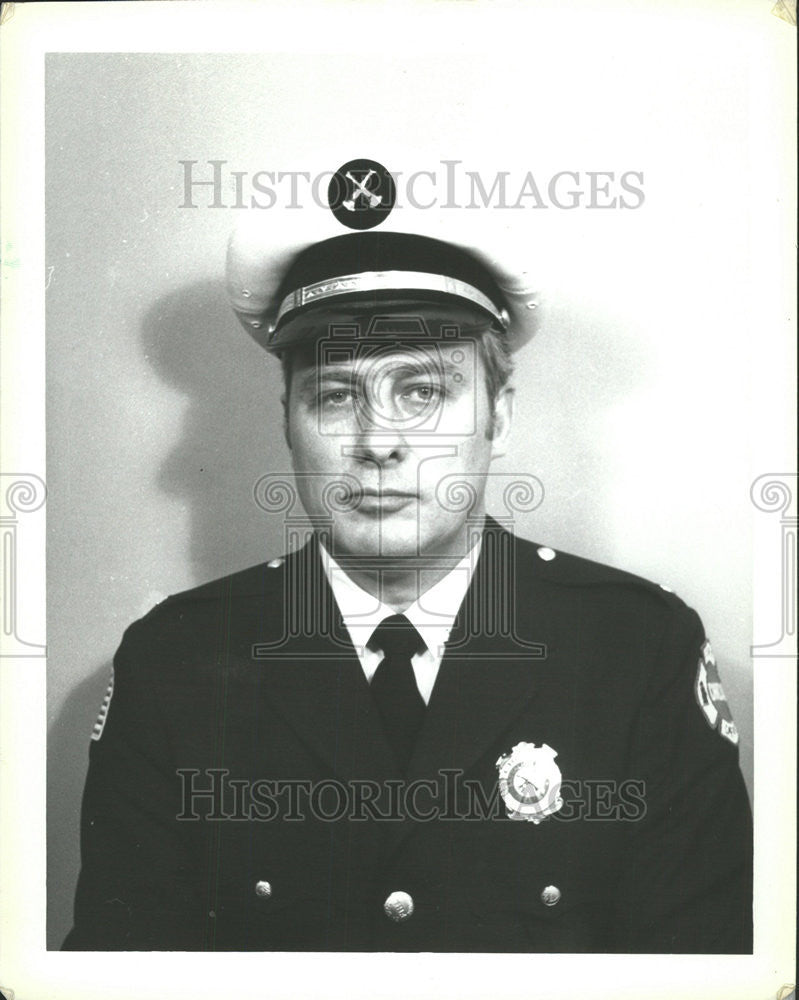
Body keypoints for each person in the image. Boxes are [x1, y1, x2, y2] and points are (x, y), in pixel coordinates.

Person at [63, 224, 752, 952]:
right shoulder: (175, 659)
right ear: (288, 426)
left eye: (422, 391)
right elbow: (120, 970)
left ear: (500, 416)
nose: (378, 441)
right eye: (334, 396)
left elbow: (700, 968)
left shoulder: (638, 650)